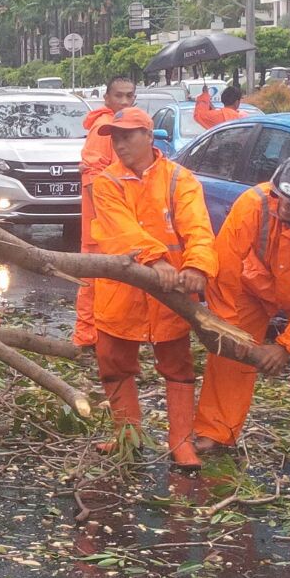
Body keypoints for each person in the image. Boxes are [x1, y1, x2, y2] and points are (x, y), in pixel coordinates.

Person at [192, 152, 290, 469]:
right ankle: (215, 431)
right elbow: (226, 263)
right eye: (281, 195)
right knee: (230, 353)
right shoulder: (256, 202)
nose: (284, 205)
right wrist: (225, 324)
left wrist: (285, 347)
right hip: (257, 286)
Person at [89, 107, 218, 468]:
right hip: (122, 290)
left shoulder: (180, 180)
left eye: (127, 135)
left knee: (177, 365)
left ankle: (181, 442)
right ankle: (126, 436)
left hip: (170, 293)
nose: (119, 143)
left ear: (149, 136)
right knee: (114, 362)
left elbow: (198, 229)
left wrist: (196, 266)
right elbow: (121, 230)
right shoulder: (106, 182)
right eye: (114, 137)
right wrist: (155, 259)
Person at [74, 75, 137, 347]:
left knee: (106, 285)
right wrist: (105, 222)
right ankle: (87, 338)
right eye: (119, 95)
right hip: (101, 226)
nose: (124, 101)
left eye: (129, 96)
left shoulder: (119, 126)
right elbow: (92, 177)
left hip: (112, 224)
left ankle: (100, 335)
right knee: (93, 283)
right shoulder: (104, 127)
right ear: (106, 98)